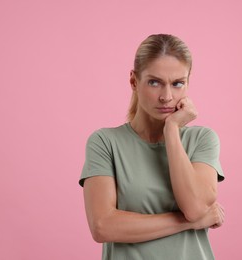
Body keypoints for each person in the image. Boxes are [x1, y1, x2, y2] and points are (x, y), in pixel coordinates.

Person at [79, 34, 225, 260]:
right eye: (154, 82)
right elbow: (102, 226)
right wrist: (187, 224)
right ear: (134, 81)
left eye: (178, 83)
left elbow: (194, 208)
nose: (167, 97)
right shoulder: (105, 142)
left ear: (188, 82)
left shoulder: (203, 139)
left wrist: (172, 130)